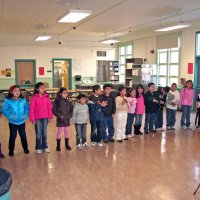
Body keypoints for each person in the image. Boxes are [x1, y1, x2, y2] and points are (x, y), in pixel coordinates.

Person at [2, 85, 29, 157]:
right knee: (13, 136)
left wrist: (25, 115)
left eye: (18, 91)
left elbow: (26, 108)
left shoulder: (23, 100)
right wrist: (10, 116)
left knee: (23, 135)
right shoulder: (7, 101)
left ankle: (25, 148)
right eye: (15, 91)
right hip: (13, 122)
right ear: (11, 92)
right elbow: (4, 109)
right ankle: (11, 150)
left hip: (22, 122)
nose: (17, 92)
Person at [29, 82, 53, 154]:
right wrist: (32, 119)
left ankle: (45, 146)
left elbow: (49, 107)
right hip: (37, 118)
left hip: (45, 118)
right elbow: (32, 109)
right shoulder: (34, 98)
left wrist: (50, 116)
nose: (43, 89)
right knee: (38, 133)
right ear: (37, 89)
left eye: (44, 88)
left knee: (44, 133)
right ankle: (38, 147)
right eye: (41, 88)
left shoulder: (46, 97)